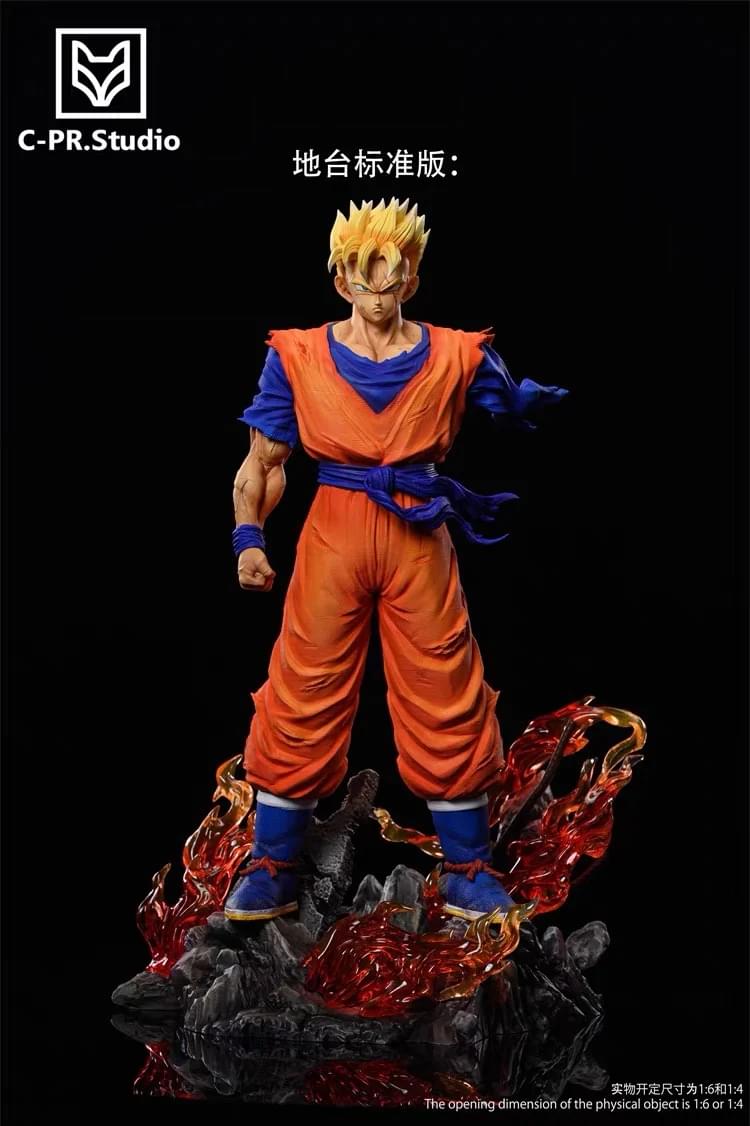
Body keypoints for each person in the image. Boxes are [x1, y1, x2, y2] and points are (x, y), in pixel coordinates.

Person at [224, 199, 567, 922]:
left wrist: (519, 401)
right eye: (362, 277)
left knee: (444, 683)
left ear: (412, 277)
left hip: (418, 532)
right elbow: (263, 461)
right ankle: (273, 864)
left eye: (392, 277)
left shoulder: (456, 354)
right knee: (303, 684)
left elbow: (507, 398)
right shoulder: (298, 356)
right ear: (341, 279)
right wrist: (248, 537)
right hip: (335, 529)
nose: (377, 294)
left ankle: (468, 868)